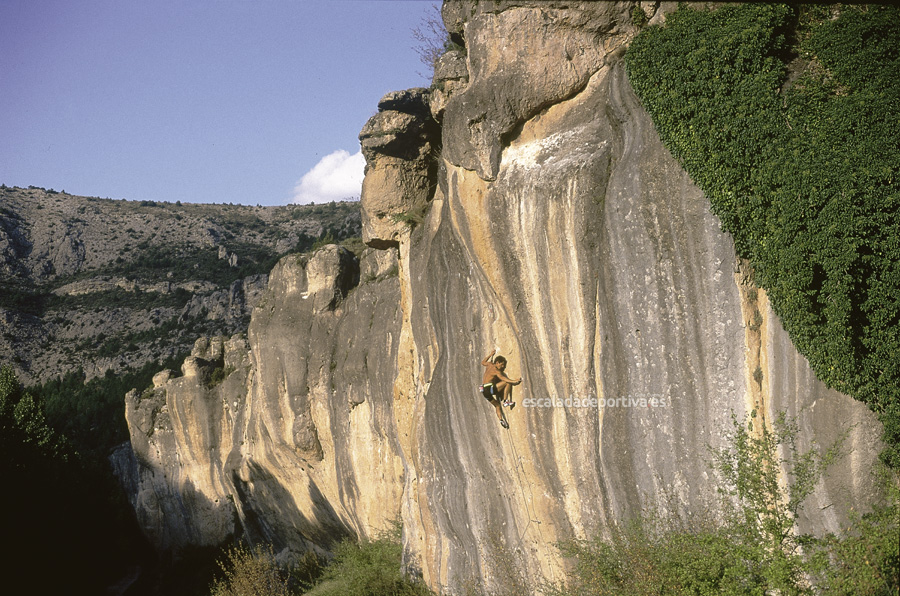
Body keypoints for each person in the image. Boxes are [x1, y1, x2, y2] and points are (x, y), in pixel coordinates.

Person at [479, 348, 522, 429]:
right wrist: (514, 381)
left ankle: (501, 420)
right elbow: (504, 379)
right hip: (489, 388)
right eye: (501, 364)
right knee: (507, 383)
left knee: (497, 406)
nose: (503, 367)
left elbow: (483, 362)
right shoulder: (496, 371)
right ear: (497, 362)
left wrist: (490, 355)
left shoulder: (489, 365)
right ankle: (505, 401)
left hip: (484, 391)